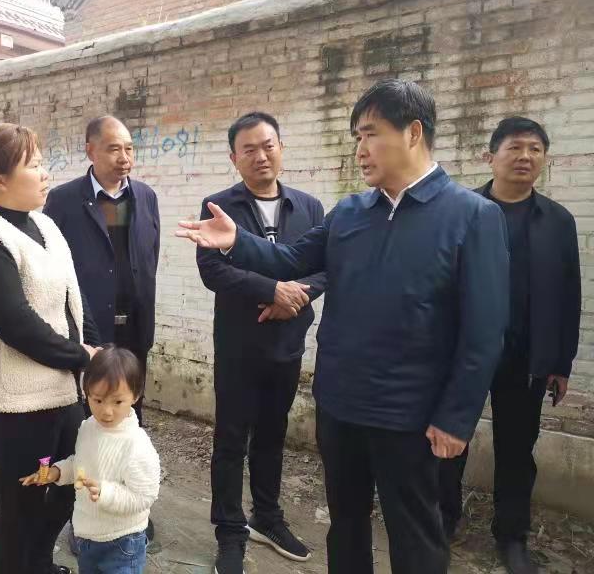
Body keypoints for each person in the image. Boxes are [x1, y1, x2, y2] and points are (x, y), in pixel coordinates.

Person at [176, 79, 511, 574]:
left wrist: (457, 417)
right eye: (357, 137)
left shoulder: (472, 216)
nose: (360, 149)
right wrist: (236, 241)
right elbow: (291, 259)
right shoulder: (351, 212)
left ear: (413, 132)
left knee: (415, 536)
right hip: (341, 408)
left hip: (411, 416)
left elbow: (484, 333)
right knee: (347, 525)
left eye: (370, 134)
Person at [0, 123, 101, 574]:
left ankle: (39, 564)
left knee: (64, 491)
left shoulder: (44, 226)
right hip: (15, 409)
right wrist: (83, 357)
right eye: (34, 165)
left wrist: (96, 347)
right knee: (20, 508)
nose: (45, 172)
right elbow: (17, 325)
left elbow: (73, 299)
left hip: (62, 394)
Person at [439, 117, 581, 574]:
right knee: (448, 439)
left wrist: (561, 362)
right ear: (490, 156)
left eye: (535, 149)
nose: (525, 157)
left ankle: (512, 536)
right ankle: (443, 520)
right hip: (462, 353)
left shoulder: (557, 221)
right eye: (515, 147)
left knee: (518, 450)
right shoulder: (460, 210)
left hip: (526, 356)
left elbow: (569, 295)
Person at [196, 112, 325, 573]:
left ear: (281, 148)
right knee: (231, 441)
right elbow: (213, 270)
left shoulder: (309, 207)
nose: (260, 156)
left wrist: (296, 296)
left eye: (268, 145)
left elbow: (325, 266)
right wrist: (271, 290)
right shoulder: (218, 206)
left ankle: (267, 518)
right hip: (238, 348)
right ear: (234, 158)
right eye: (248, 149)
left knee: (272, 436)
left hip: (287, 344)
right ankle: (230, 533)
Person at [44, 115, 160, 427]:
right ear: (90, 151)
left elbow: (149, 259)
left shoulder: (145, 197)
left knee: (130, 408)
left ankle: (128, 458)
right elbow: (51, 266)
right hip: (90, 327)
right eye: (113, 149)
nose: (124, 158)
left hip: (134, 327)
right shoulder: (64, 200)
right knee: (89, 410)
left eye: (129, 148)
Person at [21, 346, 160, 574]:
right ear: (86, 393)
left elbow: (145, 496)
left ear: (135, 396)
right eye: (98, 400)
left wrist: (106, 493)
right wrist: (57, 472)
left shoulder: (136, 445)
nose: (107, 411)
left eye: (117, 402)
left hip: (123, 542)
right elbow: (81, 464)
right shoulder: (87, 428)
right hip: (87, 536)